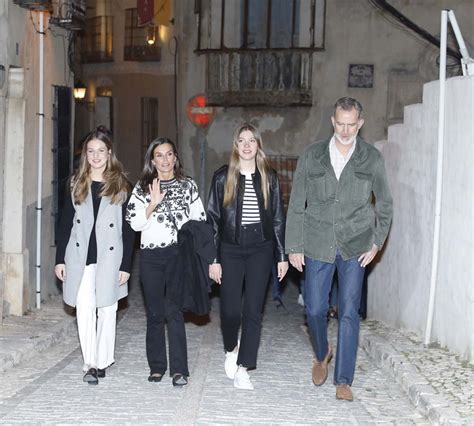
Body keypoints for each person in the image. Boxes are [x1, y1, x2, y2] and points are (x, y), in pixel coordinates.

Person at [285, 97, 393, 401]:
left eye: (351, 124)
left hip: (355, 244)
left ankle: (344, 380)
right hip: (317, 242)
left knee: (349, 311)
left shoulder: (371, 158)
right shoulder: (312, 156)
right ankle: (322, 353)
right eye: (340, 124)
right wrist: (294, 245)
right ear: (333, 122)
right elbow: (296, 203)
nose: (345, 130)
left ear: (360, 123)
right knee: (315, 309)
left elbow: (384, 203)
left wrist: (377, 241)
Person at [207, 122, 289, 390]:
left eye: (251, 140)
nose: (246, 145)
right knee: (230, 311)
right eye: (241, 140)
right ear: (235, 145)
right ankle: (231, 348)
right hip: (230, 249)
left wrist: (281, 256)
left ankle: (244, 367)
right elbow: (214, 220)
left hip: (260, 249)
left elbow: (277, 219)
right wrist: (214, 259)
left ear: (258, 146)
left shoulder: (269, 177)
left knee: (253, 310)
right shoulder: (222, 177)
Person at [55, 126, 134, 385]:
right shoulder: (76, 182)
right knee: (84, 309)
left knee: (107, 309)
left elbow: (128, 228)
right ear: (85, 155)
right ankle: (90, 362)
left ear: (109, 153)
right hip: (80, 257)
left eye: (101, 151)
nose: (96, 156)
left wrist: (126, 265)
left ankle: (102, 361)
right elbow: (65, 222)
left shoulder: (121, 184)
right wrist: (59, 259)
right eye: (91, 151)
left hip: (109, 258)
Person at [126, 137, 206, 387]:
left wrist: (199, 253)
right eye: (159, 155)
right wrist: (151, 205)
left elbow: (200, 219)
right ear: (152, 160)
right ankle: (157, 366)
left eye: (169, 154)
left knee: (174, 311)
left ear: (175, 157)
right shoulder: (142, 187)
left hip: (177, 255)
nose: (165, 160)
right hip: (151, 256)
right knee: (154, 313)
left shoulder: (187, 185)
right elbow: (134, 223)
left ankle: (179, 370)